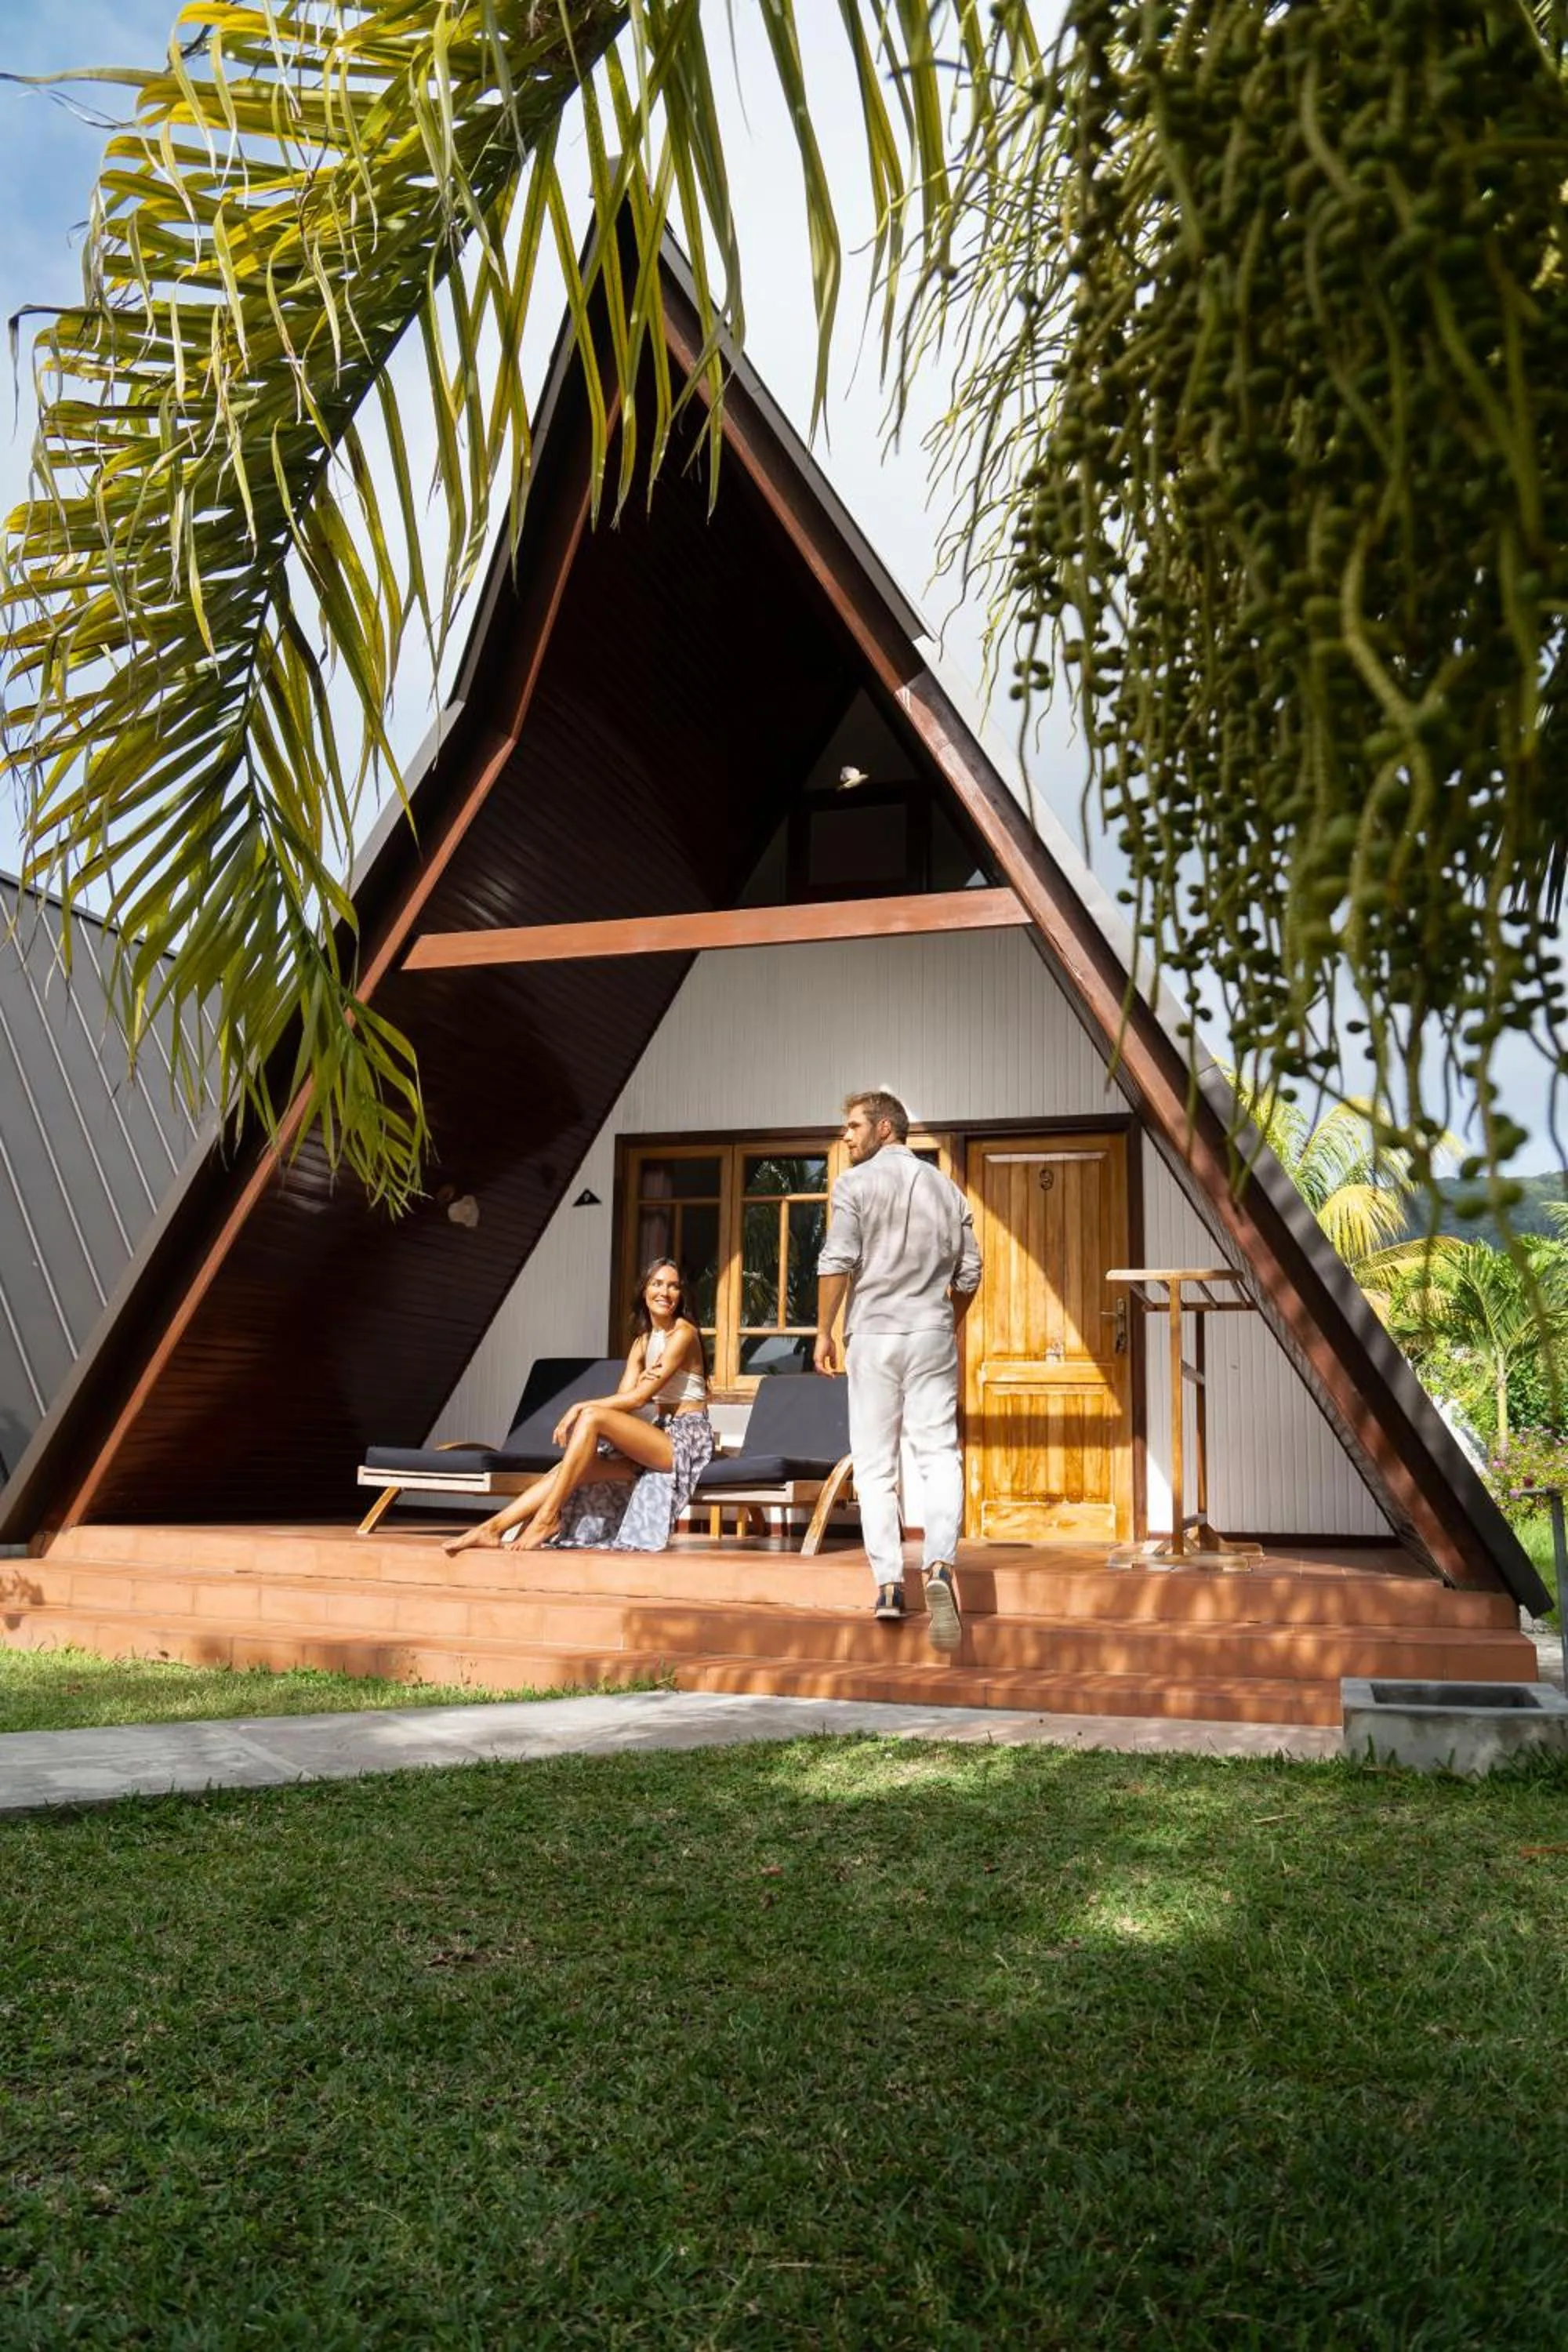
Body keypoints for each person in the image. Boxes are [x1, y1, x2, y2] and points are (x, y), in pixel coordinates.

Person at [814, 1091, 981, 1650]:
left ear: (886, 1128)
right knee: (938, 1455)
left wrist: (822, 1333)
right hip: (931, 1332)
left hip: (875, 1334)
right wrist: (943, 1321)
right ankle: (938, 1567)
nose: (846, 1135)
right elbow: (971, 1273)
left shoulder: (854, 1185)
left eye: (854, 1125)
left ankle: (888, 1584)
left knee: (876, 1462)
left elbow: (837, 1260)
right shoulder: (948, 1189)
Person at [444, 1258, 714, 1555]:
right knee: (571, 1467)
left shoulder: (683, 1334)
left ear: (681, 1295)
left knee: (591, 1417)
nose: (665, 1292)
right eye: (657, 1284)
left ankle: (547, 1518)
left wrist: (580, 1406)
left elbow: (635, 1400)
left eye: (673, 1286)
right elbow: (626, 1401)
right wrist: (639, 1392)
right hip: (655, 1437)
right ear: (644, 1291)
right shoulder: (642, 1343)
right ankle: (491, 1528)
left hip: (685, 1441)